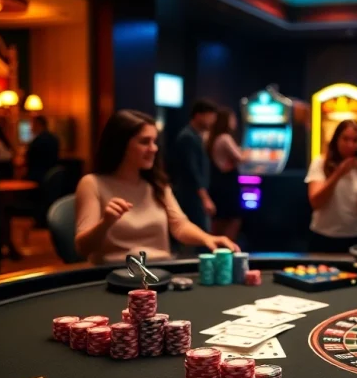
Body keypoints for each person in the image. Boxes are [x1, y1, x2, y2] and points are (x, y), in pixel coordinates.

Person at [75, 109, 238, 264]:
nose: (154, 148)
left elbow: (179, 225)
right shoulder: (92, 184)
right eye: (145, 142)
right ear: (121, 144)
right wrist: (106, 223)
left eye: (154, 141)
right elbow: (83, 248)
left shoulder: (156, 184)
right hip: (112, 276)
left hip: (158, 273)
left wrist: (207, 238)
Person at [305, 119, 357, 253]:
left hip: (356, 238)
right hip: (324, 237)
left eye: (355, 140)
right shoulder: (320, 163)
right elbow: (316, 202)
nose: (350, 144)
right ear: (336, 140)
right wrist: (339, 173)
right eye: (345, 139)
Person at [169, 99, 217, 232]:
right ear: (198, 115)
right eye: (210, 116)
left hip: (195, 196)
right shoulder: (187, 137)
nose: (212, 121)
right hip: (191, 197)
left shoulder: (195, 136)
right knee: (198, 236)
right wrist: (205, 198)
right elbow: (192, 171)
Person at [206, 108, 245, 242]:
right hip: (227, 184)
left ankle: (218, 253)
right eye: (232, 118)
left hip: (217, 184)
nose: (235, 121)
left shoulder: (213, 137)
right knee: (233, 220)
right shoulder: (225, 137)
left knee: (219, 222)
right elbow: (240, 157)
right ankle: (227, 252)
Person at [24, 115, 60, 184]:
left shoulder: (38, 140)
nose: (31, 128)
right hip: (52, 177)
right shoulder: (54, 138)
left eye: (32, 124)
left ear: (38, 124)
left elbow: (29, 159)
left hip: (38, 178)